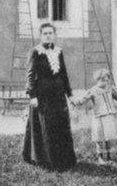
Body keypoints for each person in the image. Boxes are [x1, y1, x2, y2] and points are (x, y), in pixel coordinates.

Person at [23, 23, 77, 171]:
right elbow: (30, 75)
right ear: (40, 36)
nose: (48, 35)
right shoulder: (35, 52)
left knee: (60, 124)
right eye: (45, 33)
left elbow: (63, 74)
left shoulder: (59, 51)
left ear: (54, 35)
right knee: (45, 126)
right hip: (43, 95)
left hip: (58, 95)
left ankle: (63, 159)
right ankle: (45, 160)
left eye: (50, 33)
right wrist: (32, 95)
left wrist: (70, 94)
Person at [74, 68, 117, 165]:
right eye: (103, 79)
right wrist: (76, 102)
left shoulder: (110, 88)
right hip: (98, 116)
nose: (106, 81)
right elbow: (84, 99)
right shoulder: (93, 90)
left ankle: (108, 157)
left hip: (109, 115)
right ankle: (101, 158)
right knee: (99, 138)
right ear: (98, 79)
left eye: (107, 78)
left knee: (108, 137)